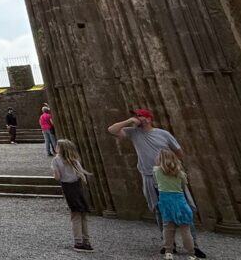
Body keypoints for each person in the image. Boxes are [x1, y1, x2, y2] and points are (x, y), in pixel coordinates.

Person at [107, 109, 205, 258]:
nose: (136, 118)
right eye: (135, 116)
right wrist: (129, 121)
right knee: (159, 210)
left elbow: (179, 152)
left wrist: (171, 166)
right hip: (149, 177)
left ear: (148, 119)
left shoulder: (163, 134)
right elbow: (112, 130)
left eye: (139, 116)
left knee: (185, 208)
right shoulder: (134, 132)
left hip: (169, 176)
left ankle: (194, 246)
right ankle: (168, 245)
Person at [52, 139, 94, 253]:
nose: (55, 147)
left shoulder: (56, 160)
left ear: (60, 149)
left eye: (57, 146)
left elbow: (57, 177)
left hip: (68, 188)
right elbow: (81, 175)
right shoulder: (74, 160)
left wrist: (55, 174)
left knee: (75, 215)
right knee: (83, 214)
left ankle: (78, 243)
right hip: (78, 187)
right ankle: (86, 242)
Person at [155, 149, 198, 260]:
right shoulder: (181, 174)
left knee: (168, 228)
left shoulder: (156, 171)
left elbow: (156, 183)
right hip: (179, 200)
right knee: (185, 229)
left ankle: (168, 252)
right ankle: (191, 254)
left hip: (165, 201)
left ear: (160, 159)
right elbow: (183, 186)